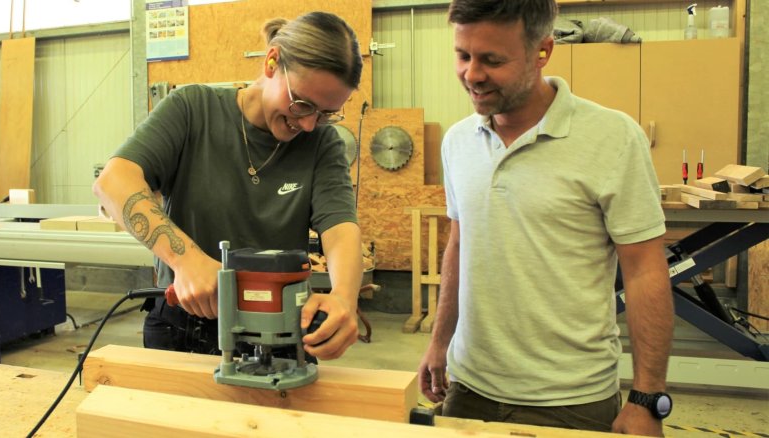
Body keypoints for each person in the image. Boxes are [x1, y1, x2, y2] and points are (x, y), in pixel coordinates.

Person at [417, 1, 674, 436]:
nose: (472, 74)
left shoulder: (612, 138)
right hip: (469, 389)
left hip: (571, 400)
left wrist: (647, 399)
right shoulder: (458, 142)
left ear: (543, 51)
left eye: (492, 60)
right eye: (463, 55)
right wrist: (440, 342)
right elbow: (461, 245)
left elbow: (645, 270)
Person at [93, 11, 363, 361]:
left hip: (278, 330)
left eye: (326, 113)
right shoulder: (192, 110)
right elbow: (114, 181)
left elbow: (340, 228)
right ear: (271, 62)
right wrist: (187, 262)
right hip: (182, 327)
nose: (310, 124)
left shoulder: (322, 144)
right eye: (303, 104)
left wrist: (344, 298)